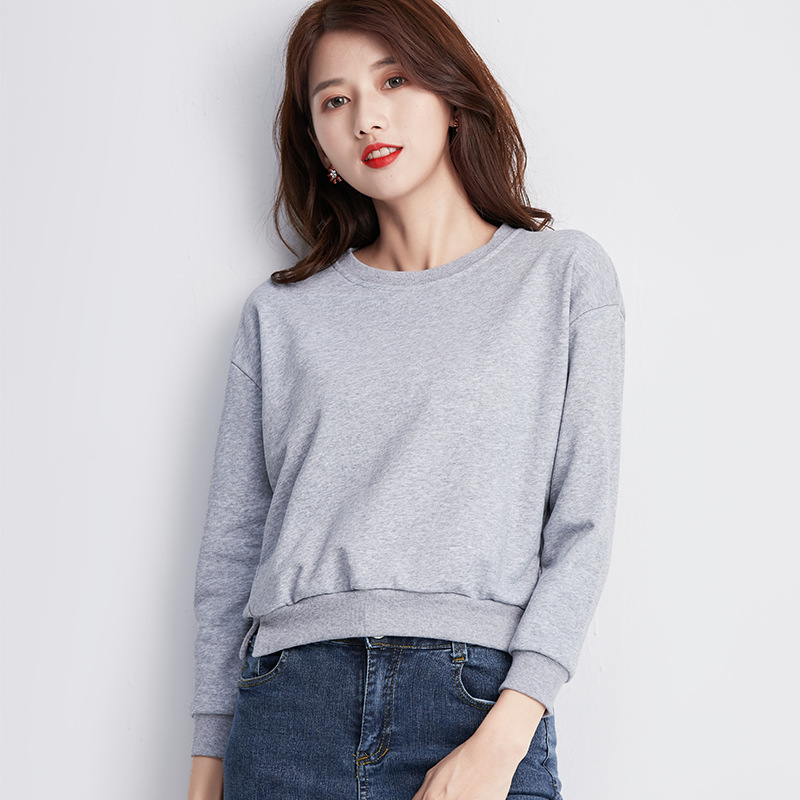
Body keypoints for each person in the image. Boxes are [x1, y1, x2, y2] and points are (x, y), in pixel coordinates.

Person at [187, 0, 625, 798]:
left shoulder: (560, 277)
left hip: (474, 704)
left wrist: (506, 734)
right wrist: (208, 760)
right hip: (287, 709)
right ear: (317, 142)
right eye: (335, 99)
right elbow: (230, 553)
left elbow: (582, 526)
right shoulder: (281, 315)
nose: (366, 117)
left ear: (453, 97)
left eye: (393, 79)